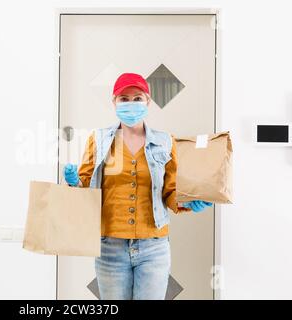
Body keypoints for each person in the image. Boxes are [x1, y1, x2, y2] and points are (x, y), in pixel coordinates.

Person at [63, 72, 212, 300]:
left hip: (154, 247)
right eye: (124, 99)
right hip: (109, 247)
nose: (131, 104)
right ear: (114, 102)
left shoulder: (165, 141)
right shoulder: (99, 139)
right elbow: (85, 190)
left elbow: (171, 190)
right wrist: (74, 183)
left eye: (137, 98)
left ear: (148, 102)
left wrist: (190, 202)